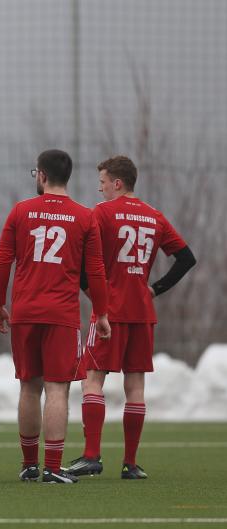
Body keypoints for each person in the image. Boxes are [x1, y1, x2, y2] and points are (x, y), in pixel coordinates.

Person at [65, 155, 196, 480]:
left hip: (109, 310)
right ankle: (131, 463)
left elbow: (82, 260)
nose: (101, 190)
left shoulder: (102, 214)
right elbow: (186, 258)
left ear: (118, 183)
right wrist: (154, 289)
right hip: (142, 311)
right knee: (135, 385)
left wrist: (91, 292)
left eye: (103, 183)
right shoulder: (155, 217)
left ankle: (92, 456)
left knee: (92, 379)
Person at [0, 149, 111, 484]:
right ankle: (53, 467)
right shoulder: (85, 217)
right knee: (57, 389)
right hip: (62, 315)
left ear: (42, 175)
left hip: (26, 312)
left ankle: (29, 465)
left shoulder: (20, 211)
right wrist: (101, 313)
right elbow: (97, 272)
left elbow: (3, 261)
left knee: (29, 387)